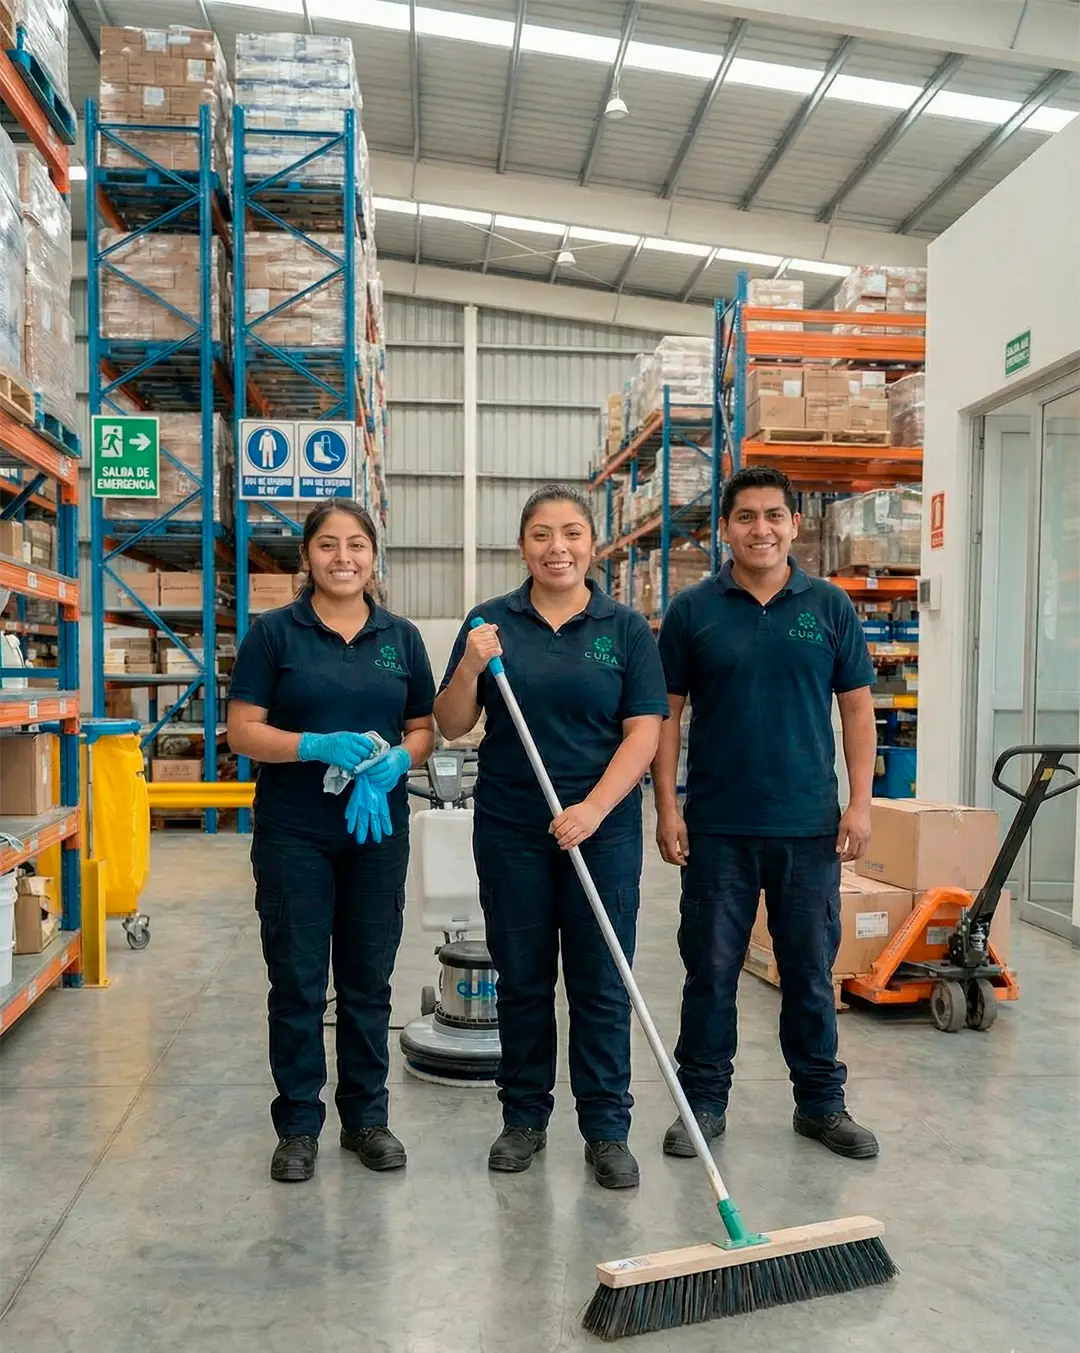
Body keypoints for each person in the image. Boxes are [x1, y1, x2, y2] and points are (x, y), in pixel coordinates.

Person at [434, 485, 669, 1189]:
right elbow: (451, 723)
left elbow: (645, 731)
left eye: (571, 533)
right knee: (524, 979)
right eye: (541, 534)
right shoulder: (489, 623)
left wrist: (593, 808)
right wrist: (471, 665)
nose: (557, 547)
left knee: (602, 982)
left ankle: (606, 1128)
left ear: (593, 545)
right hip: (512, 827)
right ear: (522, 546)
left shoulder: (625, 629)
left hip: (602, 831)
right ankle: (524, 1118)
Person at [653, 465, 880, 1161]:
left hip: (808, 826)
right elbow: (666, 716)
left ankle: (821, 1103)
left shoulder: (829, 606)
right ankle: (702, 1102)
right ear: (726, 528)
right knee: (710, 970)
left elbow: (857, 709)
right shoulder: (693, 611)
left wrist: (860, 803)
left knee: (810, 972)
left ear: (794, 525)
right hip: (717, 826)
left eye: (773, 515)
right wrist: (667, 806)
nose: (761, 529)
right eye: (746, 516)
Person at [228, 499, 435, 1183]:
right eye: (328, 544)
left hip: (376, 832)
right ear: (307, 556)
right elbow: (243, 731)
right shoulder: (274, 635)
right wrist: (313, 744)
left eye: (356, 545)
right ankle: (297, 1125)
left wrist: (401, 759)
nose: (343, 557)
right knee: (297, 980)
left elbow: (423, 728)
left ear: (373, 556)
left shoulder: (401, 637)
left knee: (368, 980)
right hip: (295, 832)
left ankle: (367, 1119)